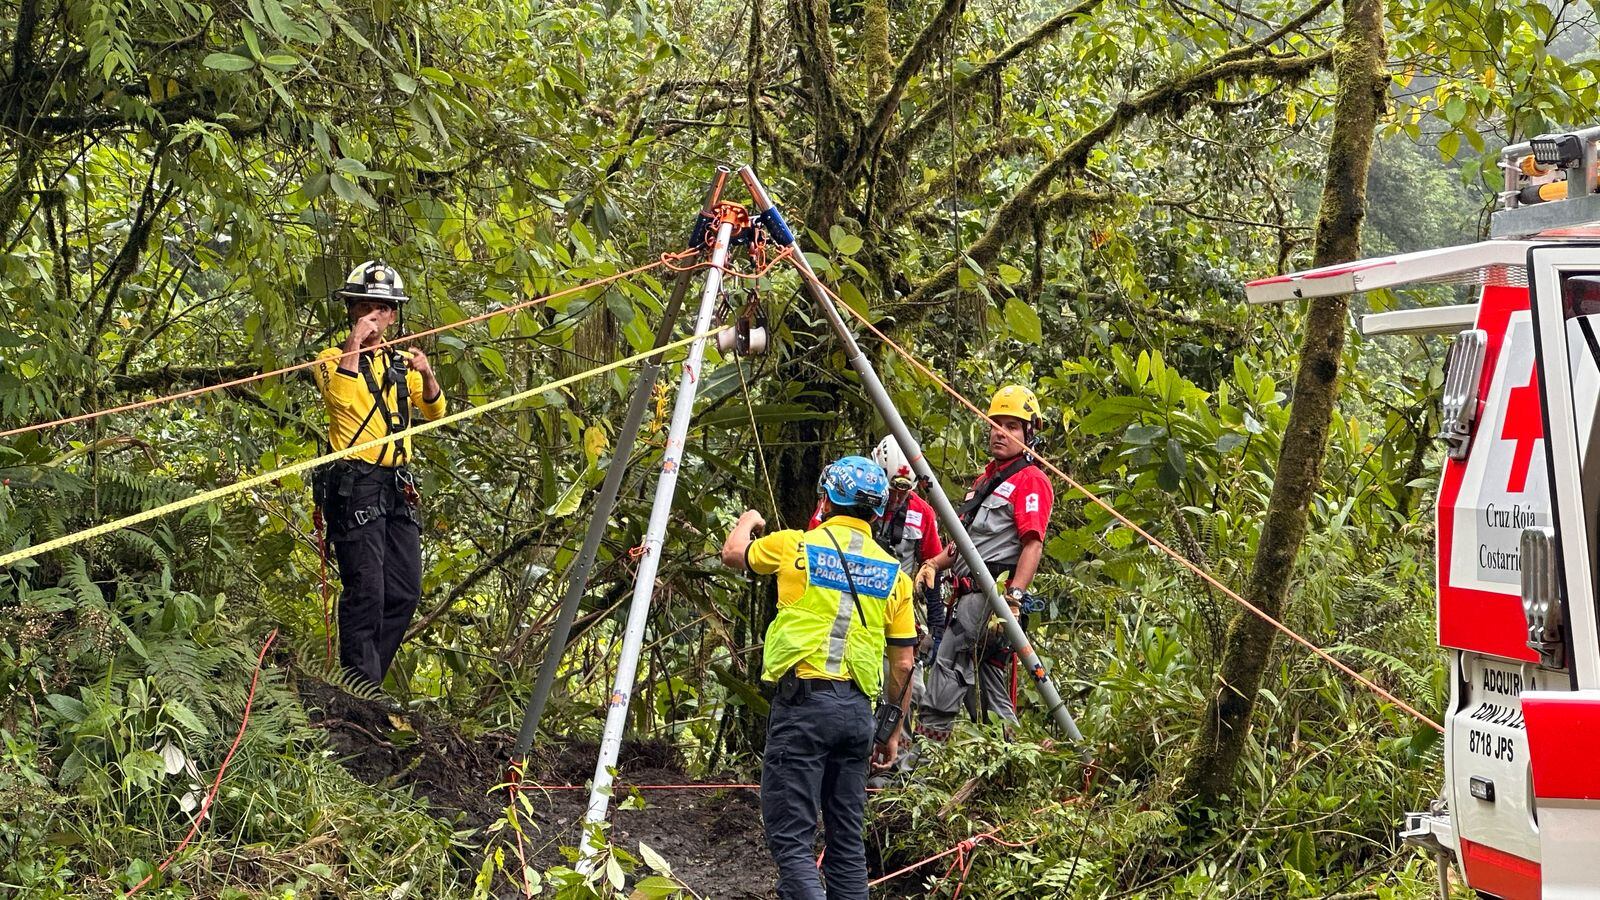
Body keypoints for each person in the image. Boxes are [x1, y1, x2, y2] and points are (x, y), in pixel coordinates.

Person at [721, 456, 918, 900]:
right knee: (846, 844)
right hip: (857, 716)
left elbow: (734, 553)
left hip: (804, 708)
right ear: (878, 511)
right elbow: (902, 666)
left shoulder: (795, 545)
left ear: (826, 499)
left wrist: (750, 518)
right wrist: (892, 731)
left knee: (792, 841)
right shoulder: (895, 576)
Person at [311, 260, 445, 687]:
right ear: (352, 308)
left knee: (404, 592)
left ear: (393, 314)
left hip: (397, 484)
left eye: (383, 308)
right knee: (366, 589)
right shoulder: (332, 359)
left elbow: (435, 411)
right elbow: (342, 402)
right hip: (356, 485)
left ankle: (367, 685)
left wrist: (425, 372)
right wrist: (355, 342)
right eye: (366, 306)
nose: (375, 315)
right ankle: (359, 689)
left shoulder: (401, 361)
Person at [916, 385, 1054, 738]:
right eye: (996, 424)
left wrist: (1014, 597)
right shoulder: (985, 481)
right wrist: (933, 563)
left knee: (947, 667)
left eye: (1011, 426)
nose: (1000, 432)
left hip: (989, 599)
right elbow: (963, 544)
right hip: (967, 596)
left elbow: (1032, 544)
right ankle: (1008, 765)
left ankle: (919, 768)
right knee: (992, 687)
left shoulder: (1031, 481)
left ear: (1029, 433)